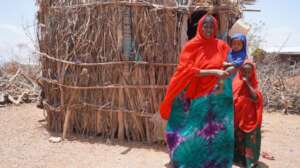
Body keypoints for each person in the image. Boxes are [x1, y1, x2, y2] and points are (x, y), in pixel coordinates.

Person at [160, 14, 234, 168]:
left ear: (216, 28)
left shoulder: (221, 45)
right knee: (191, 128)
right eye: (205, 26)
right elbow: (188, 69)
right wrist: (215, 72)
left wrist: (228, 70)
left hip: (216, 95)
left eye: (212, 26)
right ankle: (183, 159)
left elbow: (232, 63)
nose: (208, 29)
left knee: (214, 131)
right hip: (193, 94)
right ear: (200, 27)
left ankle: (213, 162)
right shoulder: (191, 45)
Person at [233, 60, 263, 168]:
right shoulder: (236, 82)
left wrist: (247, 83)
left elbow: (256, 97)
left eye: (248, 72)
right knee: (239, 138)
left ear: (253, 73)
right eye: (244, 72)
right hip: (238, 115)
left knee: (249, 139)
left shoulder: (253, 84)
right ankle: (239, 160)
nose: (246, 74)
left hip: (250, 117)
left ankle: (250, 162)